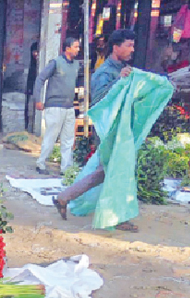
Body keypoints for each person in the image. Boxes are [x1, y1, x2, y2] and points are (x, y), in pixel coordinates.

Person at [53, 29, 139, 232]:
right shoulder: (105, 72)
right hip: (108, 129)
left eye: (133, 45)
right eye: (128, 45)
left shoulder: (123, 69)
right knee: (115, 171)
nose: (132, 49)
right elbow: (98, 98)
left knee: (107, 171)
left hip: (119, 127)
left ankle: (64, 198)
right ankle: (116, 217)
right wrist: (119, 80)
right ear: (116, 47)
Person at [34, 37, 81, 174]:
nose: (78, 49)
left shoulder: (76, 65)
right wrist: (38, 99)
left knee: (68, 139)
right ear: (67, 49)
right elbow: (40, 79)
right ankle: (41, 163)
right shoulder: (56, 63)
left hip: (69, 107)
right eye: (76, 47)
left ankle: (65, 168)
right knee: (51, 136)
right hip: (54, 106)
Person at [25, 42, 39, 131]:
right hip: (31, 86)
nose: (36, 54)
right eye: (34, 52)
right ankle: (28, 127)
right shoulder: (32, 65)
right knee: (30, 108)